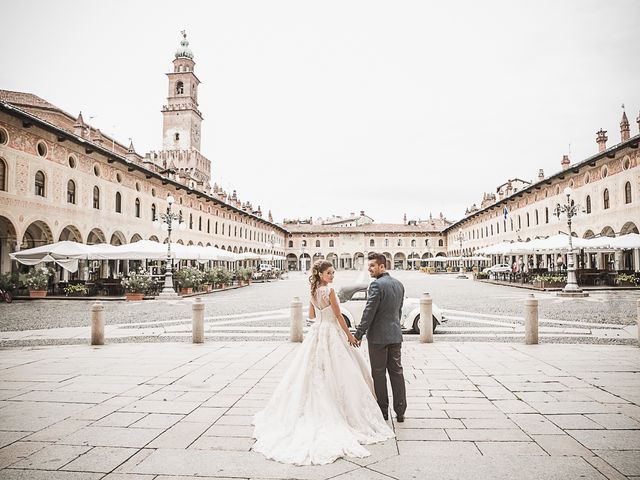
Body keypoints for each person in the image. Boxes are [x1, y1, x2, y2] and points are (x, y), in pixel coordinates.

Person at [252, 260, 394, 465]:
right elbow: (338, 317)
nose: (333, 275)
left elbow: (311, 315)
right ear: (319, 273)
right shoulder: (329, 291)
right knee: (341, 371)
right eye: (329, 272)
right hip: (332, 332)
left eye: (333, 272)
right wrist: (350, 337)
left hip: (317, 332)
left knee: (312, 371)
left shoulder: (312, 291)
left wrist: (320, 312)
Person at [354, 252, 407, 423]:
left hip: (378, 337)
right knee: (397, 372)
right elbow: (398, 312)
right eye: (368, 266)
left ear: (382, 266)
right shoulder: (399, 285)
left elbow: (369, 312)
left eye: (372, 266)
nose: (369, 269)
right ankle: (400, 411)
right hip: (395, 335)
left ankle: (383, 411)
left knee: (378, 373)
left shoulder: (376, 285)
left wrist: (359, 332)